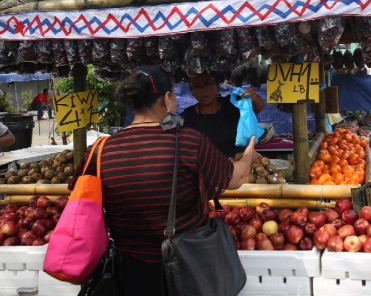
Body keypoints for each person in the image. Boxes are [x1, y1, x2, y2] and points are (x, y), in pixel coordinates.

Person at [69, 67, 255, 296]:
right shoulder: (189, 142)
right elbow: (235, 179)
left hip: (127, 273)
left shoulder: (100, 150)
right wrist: (248, 154)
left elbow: (78, 197)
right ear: (167, 98)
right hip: (187, 270)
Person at [182, 72, 264, 158]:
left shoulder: (232, 103)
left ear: (217, 86)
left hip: (238, 162)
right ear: (192, 91)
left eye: (207, 83)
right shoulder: (188, 116)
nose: (203, 89)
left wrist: (254, 98)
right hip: (207, 168)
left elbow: (258, 108)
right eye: (197, 86)